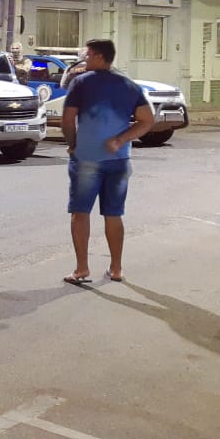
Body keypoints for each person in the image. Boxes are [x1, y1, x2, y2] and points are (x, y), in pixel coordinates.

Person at [61, 39, 154, 285]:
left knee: (80, 213)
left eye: (89, 55)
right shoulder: (128, 85)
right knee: (114, 214)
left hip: (87, 159)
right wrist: (121, 139)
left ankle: (82, 269)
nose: (85, 59)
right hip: (119, 160)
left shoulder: (81, 82)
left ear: (100, 57)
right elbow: (147, 120)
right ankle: (116, 268)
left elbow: (67, 119)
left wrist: (72, 144)